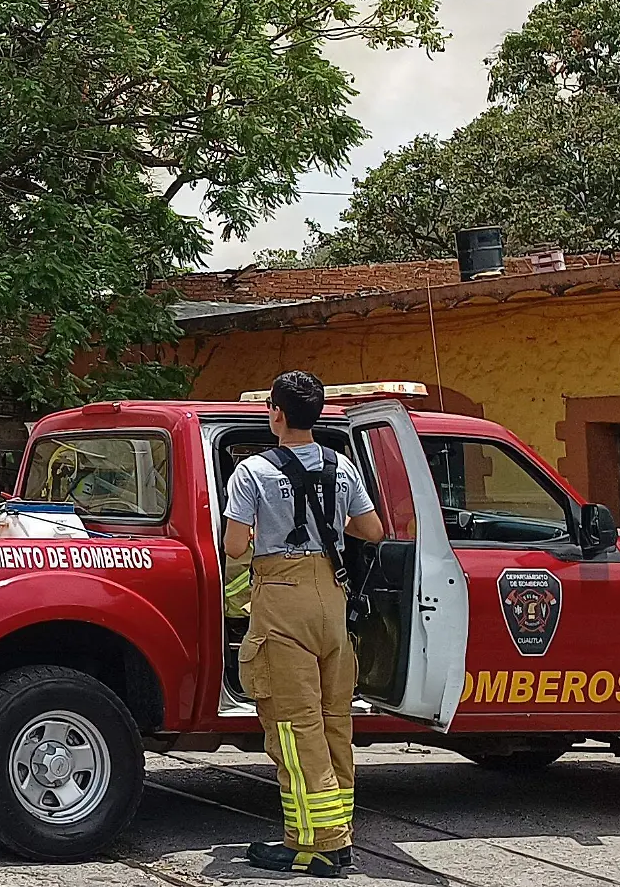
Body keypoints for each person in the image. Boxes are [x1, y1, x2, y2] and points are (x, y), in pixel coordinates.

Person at [223, 371, 386, 878]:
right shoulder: (343, 467)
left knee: (295, 730)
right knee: (335, 722)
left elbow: (234, 546)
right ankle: (341, 838)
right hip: (330, 600)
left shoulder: (252, 472)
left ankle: (314, 845)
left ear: (275, 412)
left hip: (282, 599)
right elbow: (373, 530)